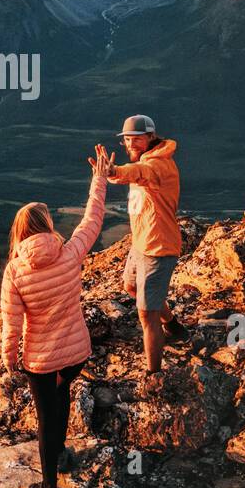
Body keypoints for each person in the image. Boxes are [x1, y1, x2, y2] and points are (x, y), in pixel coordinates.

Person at [0, 146, 110, 488]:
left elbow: (12, 322)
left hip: (41, 360)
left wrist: (9, 360)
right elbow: (92, 219)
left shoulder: (15, 271)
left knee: (46, 416)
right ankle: (61, 453)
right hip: (76, 353)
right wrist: (99, 179)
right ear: (46, 226)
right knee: (61, 397)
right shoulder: (69, 253)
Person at [90, 114, 188, 374]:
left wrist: (113, 172)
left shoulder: (158, 166)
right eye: (127, 140)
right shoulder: (148, 160)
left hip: (159, 248)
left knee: (146, 314)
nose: (130, 144)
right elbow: (135, 173)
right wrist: (113, 173)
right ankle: (173, 325)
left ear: (151, 137)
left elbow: (138, 173)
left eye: (136, 139)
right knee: (131, 286)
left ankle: (154, 374)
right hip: (141, 243)